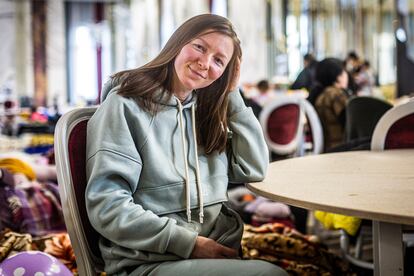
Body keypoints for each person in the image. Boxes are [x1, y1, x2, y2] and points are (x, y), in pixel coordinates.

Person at [85, 14, 287, 276]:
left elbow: (253, 169)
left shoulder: (205, 111)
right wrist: (190, 244)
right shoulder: (125, 105)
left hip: (213, 248)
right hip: (148, 260)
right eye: (200, 47)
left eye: (218, 61)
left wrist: (231, 94)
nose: (204, 63)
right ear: (177, 44)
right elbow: (107, 205)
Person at [308, 58, 350, 152]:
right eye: (344, 71)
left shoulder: (319, 94)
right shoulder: (335, 95)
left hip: (326, 149)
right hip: (339, 149)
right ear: (338, 77)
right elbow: (351, 123)